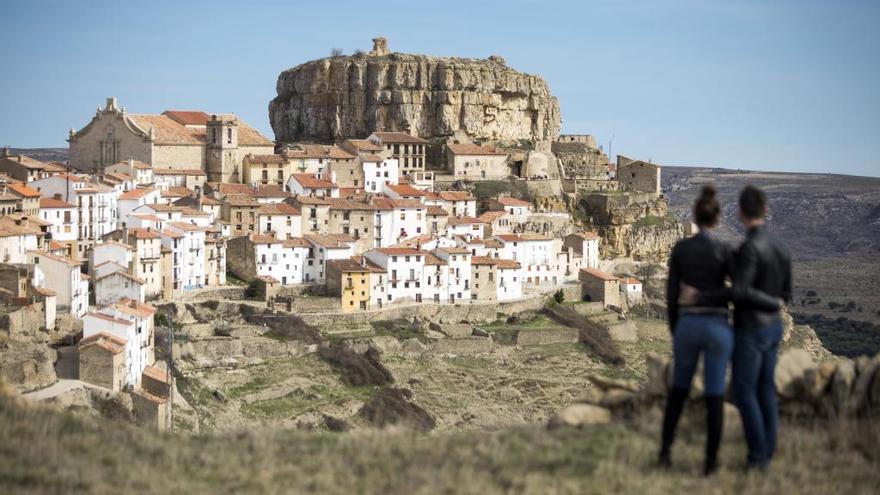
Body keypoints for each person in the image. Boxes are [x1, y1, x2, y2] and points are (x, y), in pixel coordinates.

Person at [660, 185, 780, 475]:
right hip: (717, 328)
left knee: (678, 392)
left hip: (688, 324)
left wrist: (678, 329)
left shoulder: (681, 249)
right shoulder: (725, 250)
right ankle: (710, 464)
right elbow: (738, 291)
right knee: (714, 397)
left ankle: (664, 454)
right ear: (716, 219)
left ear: (695, 216)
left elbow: (671, 293)